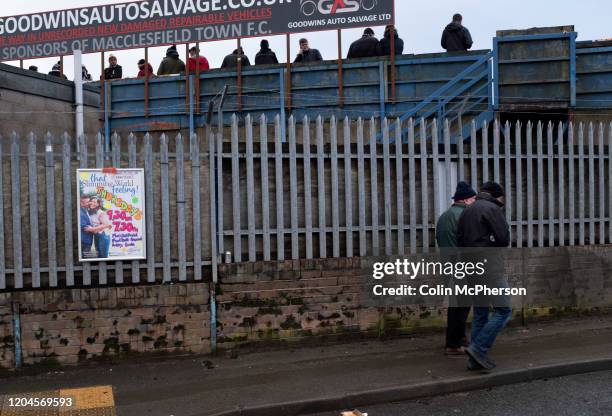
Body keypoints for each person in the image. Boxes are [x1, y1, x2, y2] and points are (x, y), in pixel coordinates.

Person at [457, 181, 511, 371]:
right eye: (501, 198)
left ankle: (474, 362)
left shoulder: (467, 211)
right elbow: (504, 239)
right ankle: (478, 349)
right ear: (497, 196)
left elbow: (459, 241)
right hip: (489, 269)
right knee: (504, 310)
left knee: (480, 314)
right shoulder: (492, 208)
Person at [435, 182, 477, 356]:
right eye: (474, 199)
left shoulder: (444, 216)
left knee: (457, 305)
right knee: (461, 307)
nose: (475, 202)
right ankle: (453, 344)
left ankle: (459, 338)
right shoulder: (466, 216)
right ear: (467, 200)